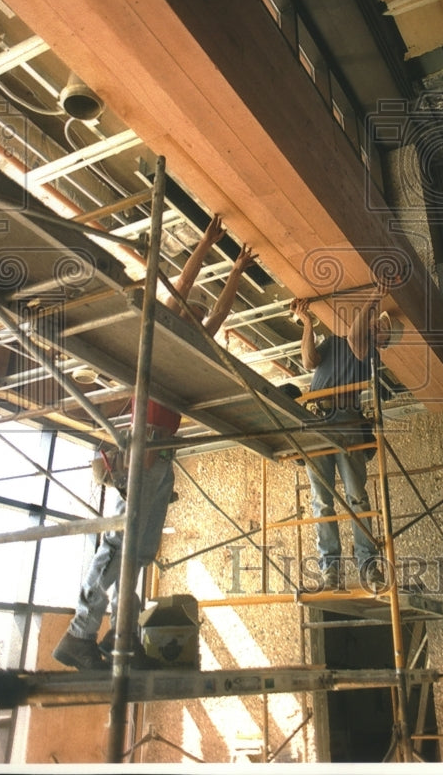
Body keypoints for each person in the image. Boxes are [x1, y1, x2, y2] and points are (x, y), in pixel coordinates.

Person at [53, 216, 257, 670]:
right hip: (138, 443)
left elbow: (219, 315)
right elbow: (181, 286)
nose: (200, 318)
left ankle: (118, 636)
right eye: (194, 312)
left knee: (141, 551)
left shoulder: (191, 345)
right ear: (181, 312)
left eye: (200, 317)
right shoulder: (162, 326)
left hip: (161, 451)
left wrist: (238, 272)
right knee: (118, 546)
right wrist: (206, 243)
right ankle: (79, 633)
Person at [291, 288, 403, 592]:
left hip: (347, 420)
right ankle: (331, 571)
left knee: (356, 497)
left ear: (382, 341)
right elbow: (309, 361)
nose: (377, 329)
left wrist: (373, 299)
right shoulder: (335, 342)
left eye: (383, 330)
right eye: (377, 323)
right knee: (322, 501)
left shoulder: (368, 352)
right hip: (318, 419)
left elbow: (356, 338)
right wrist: (307, 325)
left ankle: (369, 568)